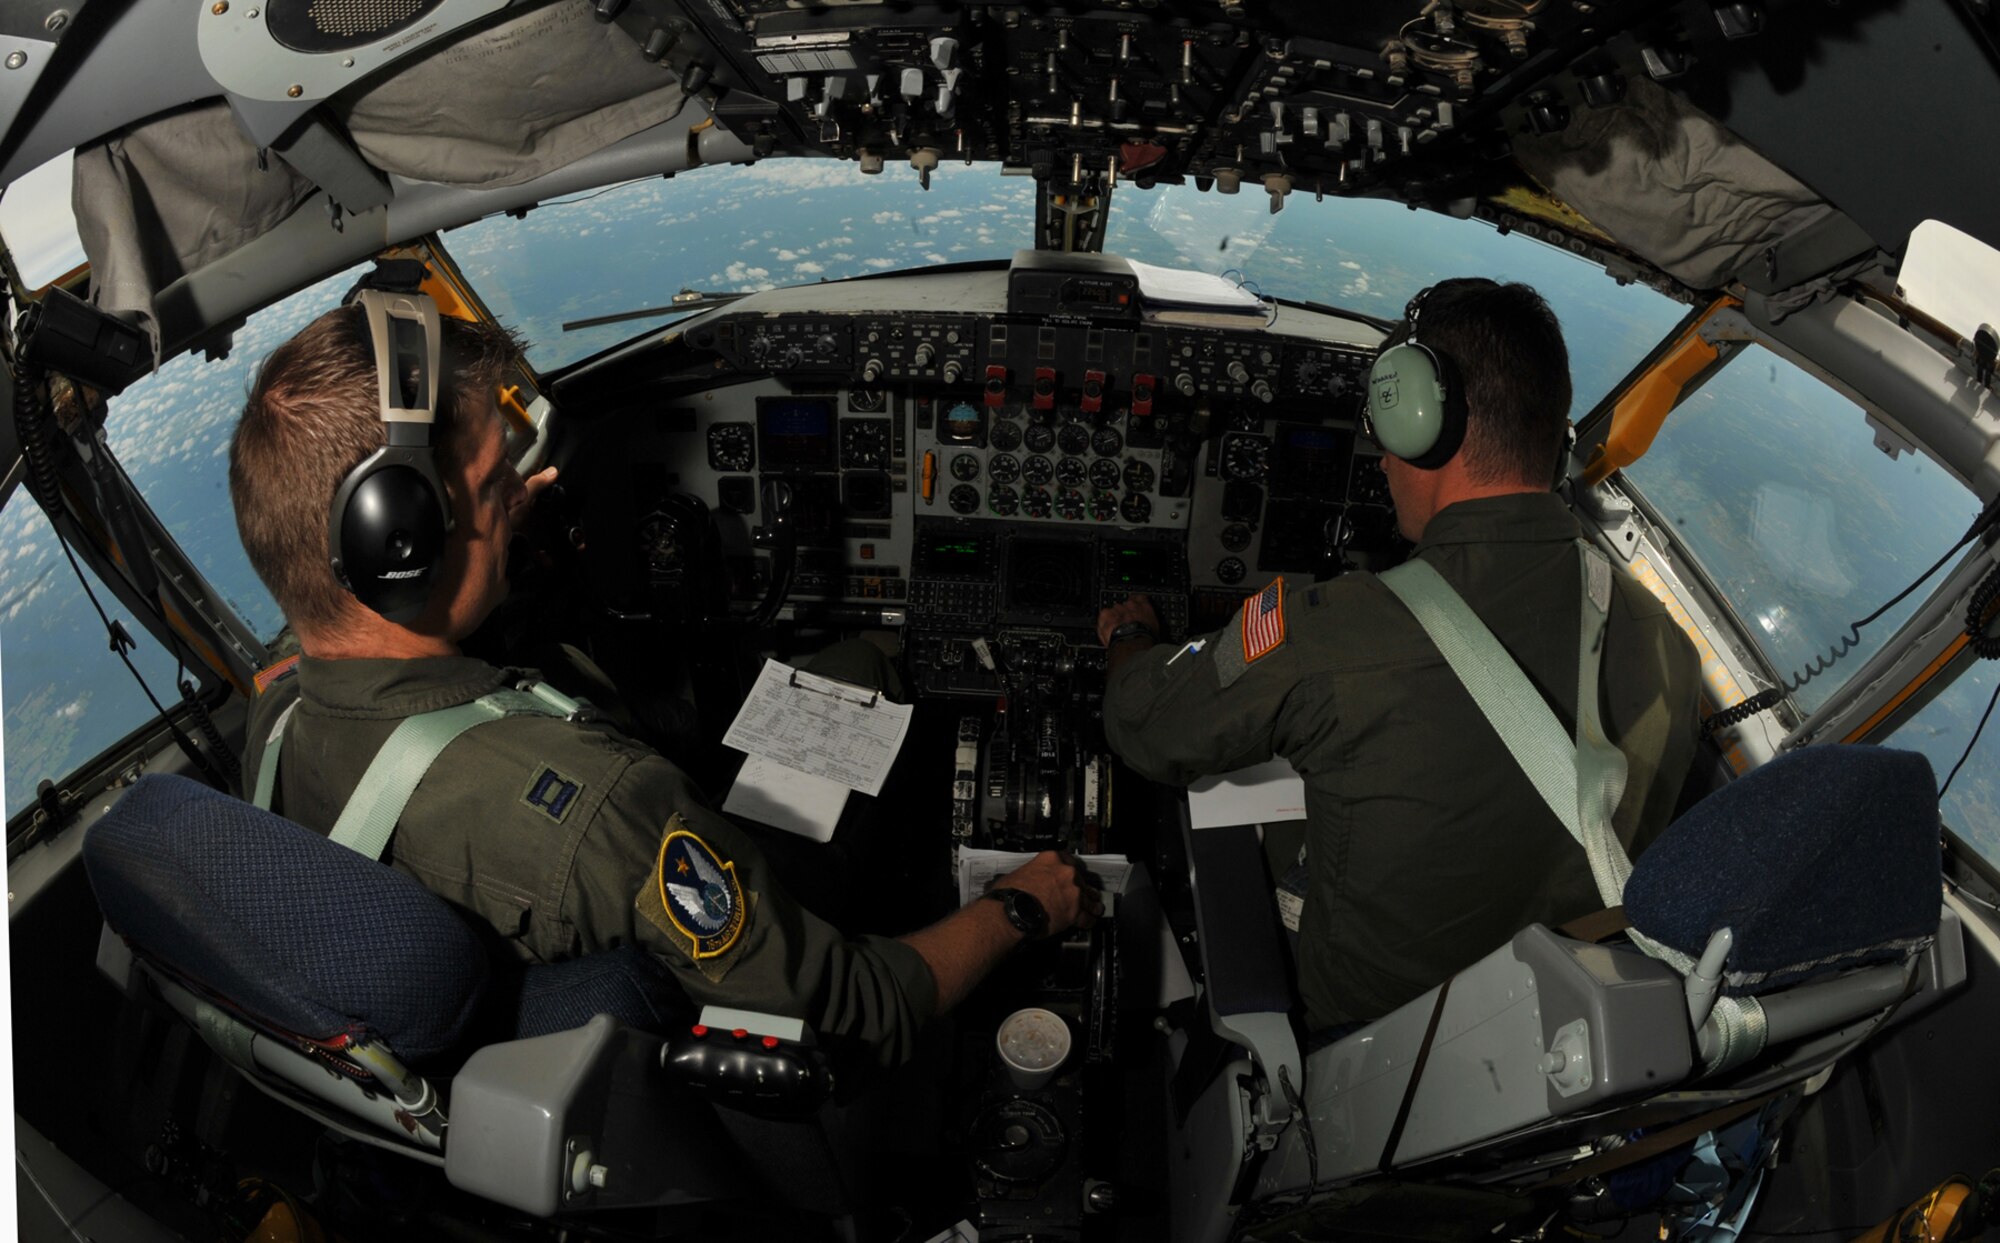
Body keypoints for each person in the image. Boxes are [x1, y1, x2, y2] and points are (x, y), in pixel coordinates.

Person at [229, 301, 1100, 1069]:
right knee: (873, 664)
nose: (530, 487)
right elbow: (860, 1005)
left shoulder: (274, 721)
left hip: (561, 957)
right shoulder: (604, 808)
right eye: (497, 481)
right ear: (399, 544)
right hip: (731, 988)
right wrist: (1020, 904)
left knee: (854, 668)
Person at [1095, 278, 1702, 1034]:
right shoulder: (1672, 648)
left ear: (1425, 424)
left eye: (1386, 424)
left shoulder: (1338, 632)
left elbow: (1145, 725)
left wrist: (1130, 638)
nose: (1379, 459)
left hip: (1362, 1041)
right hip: (1544, 1032)